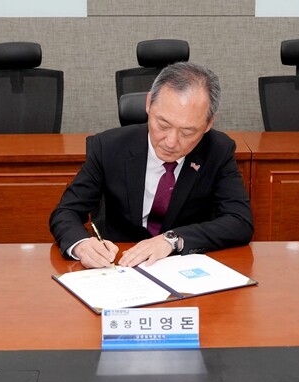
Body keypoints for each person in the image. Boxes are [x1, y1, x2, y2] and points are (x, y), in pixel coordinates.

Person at [49, 62, 254, 268]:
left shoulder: (218, 150)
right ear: (148, 103)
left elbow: (240, 222)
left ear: (208, 124)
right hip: (119, 264)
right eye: (163, 125)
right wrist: (82, 245)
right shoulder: (109, 147)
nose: (171, 142)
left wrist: (172, 240)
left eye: (187, 132)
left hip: (182, 268)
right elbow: (66, 212)